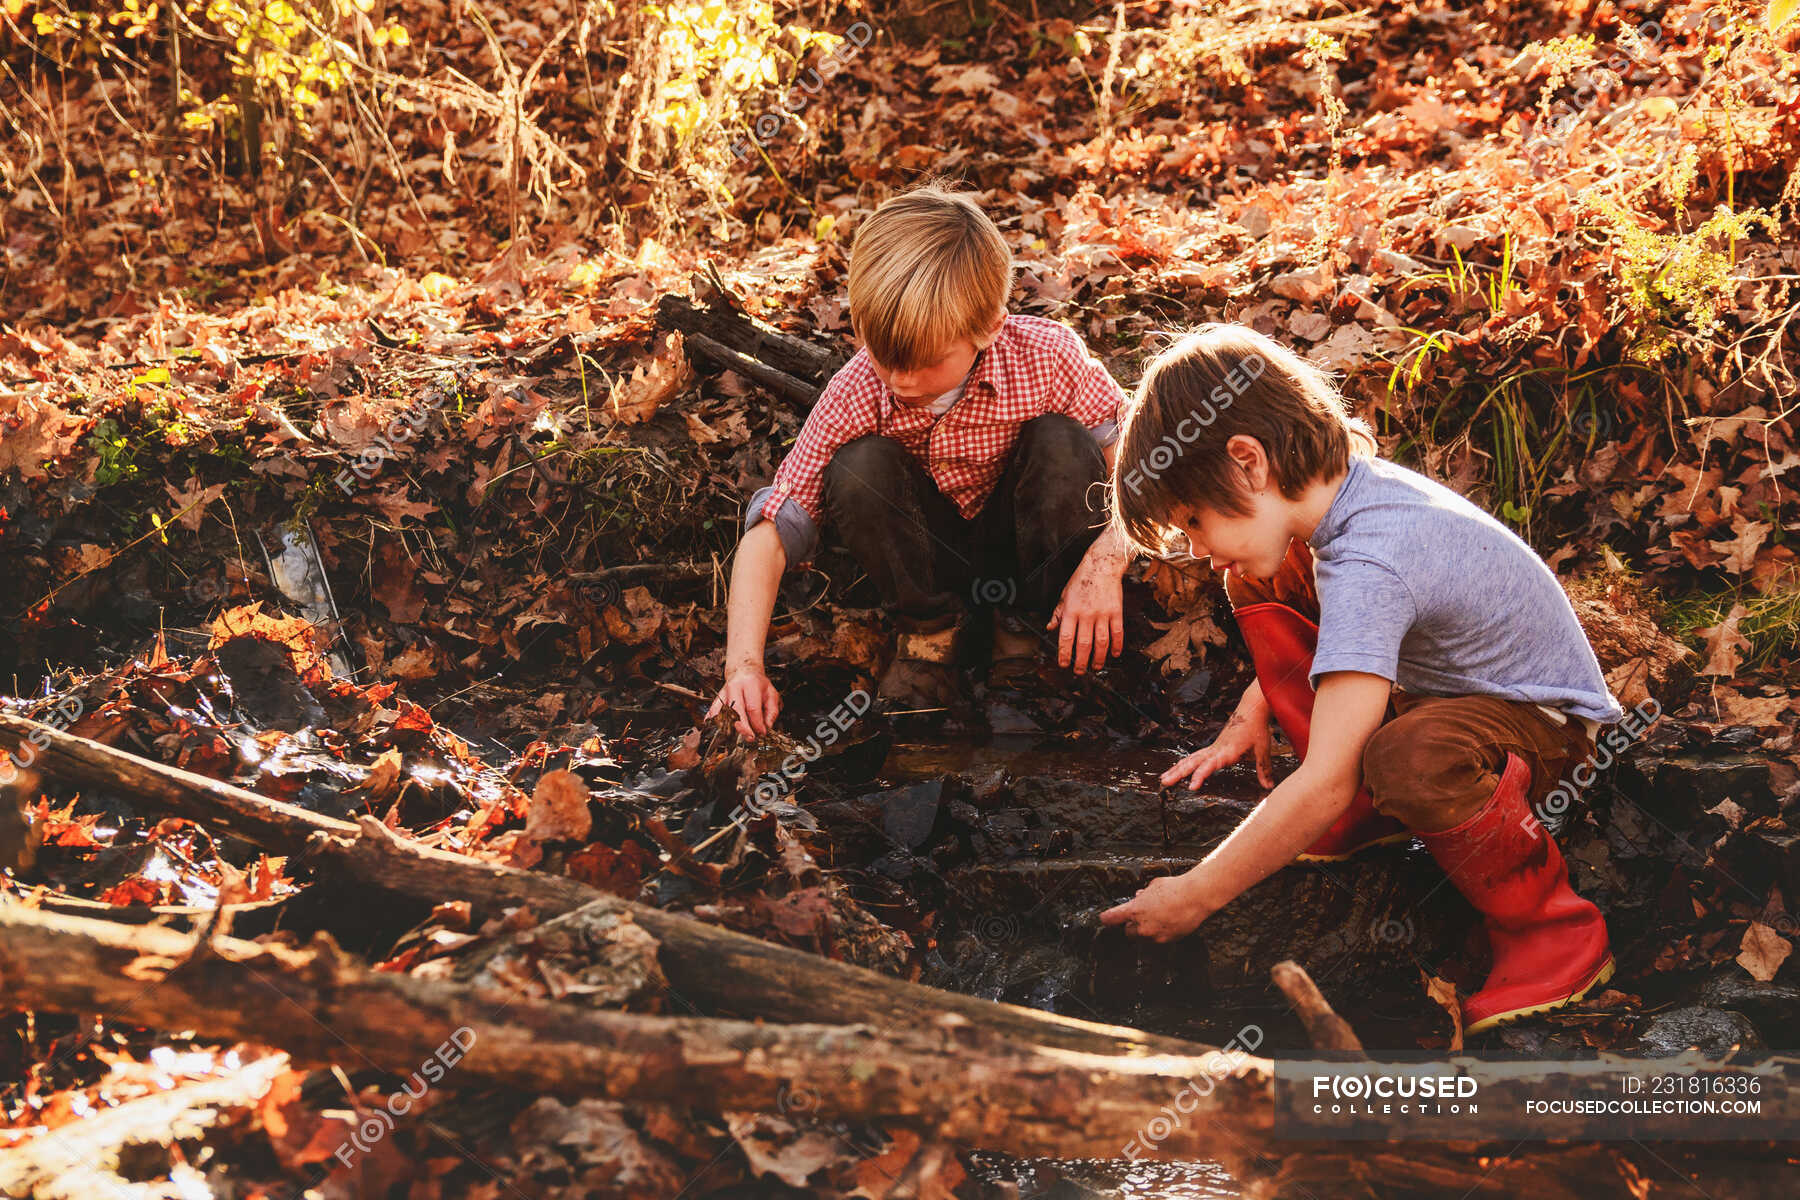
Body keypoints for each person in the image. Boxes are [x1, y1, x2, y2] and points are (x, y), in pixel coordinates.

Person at [1099, 324, 1625, 1034]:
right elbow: (1350, 638)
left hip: (1545, 732)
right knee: (1259, 573)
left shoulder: (1374, 557)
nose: (1200, 550)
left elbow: (1327, 764)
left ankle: (1553, 933)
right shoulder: (1341, 504)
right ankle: (1362, 808)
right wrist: (1255, 706)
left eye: (1194, 520)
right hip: (1450, 692)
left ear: (1248, 462)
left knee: (1405, 759)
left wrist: (1196, 894)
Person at [708, 182, 1133, 734]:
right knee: (860, 466)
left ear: (988, 327)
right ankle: (930, 642)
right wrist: (742, 667)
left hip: (1035, 556)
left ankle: (1025, 644)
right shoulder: (857, 389)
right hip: (934, 562)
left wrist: (1107, 563)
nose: (903, 382)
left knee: (1061, 441)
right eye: (885, 358)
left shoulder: (1047, 356)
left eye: (927, 362)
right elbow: (771, 530)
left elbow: (1140, 466)